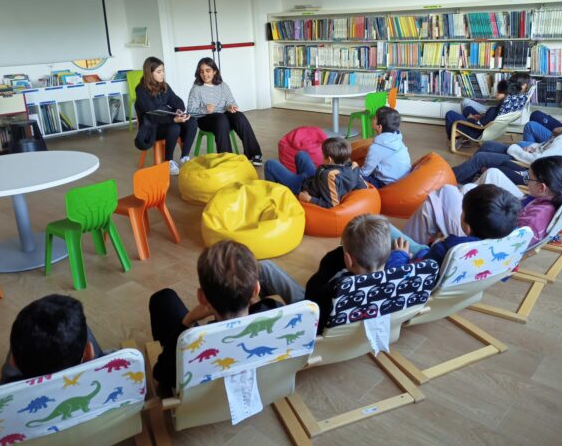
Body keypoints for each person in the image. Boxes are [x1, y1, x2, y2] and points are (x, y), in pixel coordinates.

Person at [257, 214, 428, 334]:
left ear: (348, 259)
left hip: (315, 321)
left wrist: (333, 260)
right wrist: (401, 256)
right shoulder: (398, 274)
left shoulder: (337, 287)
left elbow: (311, 295)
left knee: (264, 268)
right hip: (356, 330)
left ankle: (254, 309)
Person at [149, 240, 281, 393]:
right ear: (256, 290)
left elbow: (161, 374)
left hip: (202, 396)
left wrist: (187, 321)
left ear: (202, 298)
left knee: (163, 298)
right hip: (267, 384)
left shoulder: (190, 341)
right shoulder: (275, 311)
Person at [397, 158, 562, 249]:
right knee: (467, 187)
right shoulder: (552, 200)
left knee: (438, 197)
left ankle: (407, 245)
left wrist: (441, 243)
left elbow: (502, 240)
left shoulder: (534, 221)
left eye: (530, 178)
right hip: (499, 222)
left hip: (483, 239)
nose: (527, 181)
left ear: (542, 188)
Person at [453, 96, 562, 184]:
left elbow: (539, 161)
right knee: (488, 145)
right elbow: (545, 148)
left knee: (481, 157)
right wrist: (533, 146)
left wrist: (516, 149)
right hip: (529, 156)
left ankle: (452, 177)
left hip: (528, 167)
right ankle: (466, 177)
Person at [0, 295, 104, 384]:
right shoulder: (104, 376)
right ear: (89, 354)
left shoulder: (6, 390)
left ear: (12, 361)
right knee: (80, 331)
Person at [187, 57, 263, 165]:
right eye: (201, 71)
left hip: (223, 117)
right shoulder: (196, 88)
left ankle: (254, 153)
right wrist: (205, 109)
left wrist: (230, 107)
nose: (204, 74)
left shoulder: (223, 85)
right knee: (221, 118)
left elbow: (231, 102)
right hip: (205, 119)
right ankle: (227, 158)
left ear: (214, 71)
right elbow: (190, 111)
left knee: (239, 116)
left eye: (208, 71)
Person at [134, 57, 198, 175]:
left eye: (163, 70)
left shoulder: (163, 85)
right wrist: (173, 119)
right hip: (152, 127)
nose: (162, 74)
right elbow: (153, 115)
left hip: (167, 120)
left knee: (192, 122)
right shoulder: (141, 91)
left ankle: (185, 157)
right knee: (174, 127)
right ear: (150, 73)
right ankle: (168, 161)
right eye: (159, 71)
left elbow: (176, 100)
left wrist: (179, 109)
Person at [264, 137, 367, 208]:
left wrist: (309, 198)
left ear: (329, 159)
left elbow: (332, 204)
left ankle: (271, 200)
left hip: (303, 188)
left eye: (323, 155)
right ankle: (297, 177)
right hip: (314, 180)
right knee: (301, 154)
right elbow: (364, 187)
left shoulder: (328, 176)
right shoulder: (353, 167)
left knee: (269, 164)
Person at [444, 72, 530, 143]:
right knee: (467, 109)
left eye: (498, 92)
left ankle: (454, 138)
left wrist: (471, 119)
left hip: (478, 133)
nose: (496, 94)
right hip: (491, 129)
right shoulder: (509, 105)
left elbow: (478, 125)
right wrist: (480, 117)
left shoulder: (493, 110)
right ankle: (462, 133)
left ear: (506, 95)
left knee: (450, 114)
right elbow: (487, 120)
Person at [360, 106, 411, 187]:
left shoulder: (376, 148)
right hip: (403, 180)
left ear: (379, 127)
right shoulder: (397, 138)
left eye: (374, 118)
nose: (371, 119)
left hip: (387, 184)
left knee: (355, 177)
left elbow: (365, 172)